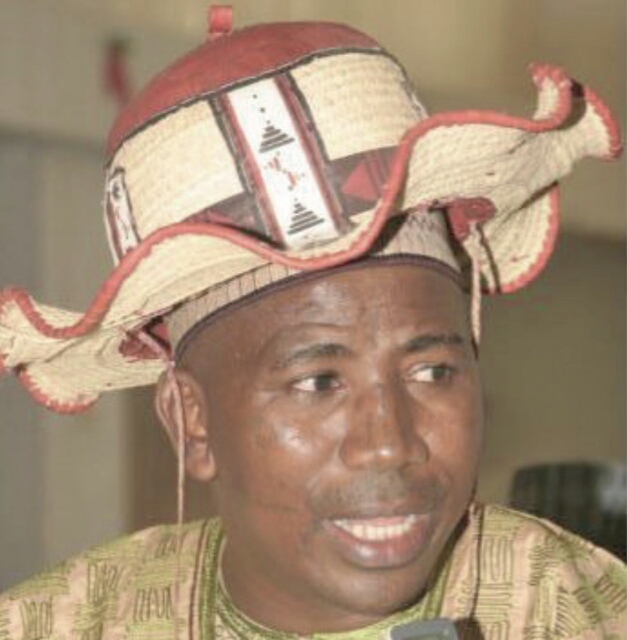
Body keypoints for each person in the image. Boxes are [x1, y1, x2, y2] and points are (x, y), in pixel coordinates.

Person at [0, 6, 624, 640]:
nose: (389, 443)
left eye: (433, 371)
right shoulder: (59, 625)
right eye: (320, 382)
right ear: (192, 421)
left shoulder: (576, 611)